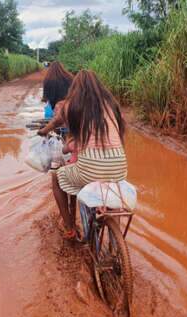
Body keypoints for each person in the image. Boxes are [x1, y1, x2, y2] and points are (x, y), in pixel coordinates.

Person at [38, 70, 127, 239]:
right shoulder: (112, 105)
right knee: (113, 190)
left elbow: (56, 121)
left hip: (90, 167)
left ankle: (70, 227)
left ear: (76, 88)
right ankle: (116, 238)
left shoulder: (73, 106)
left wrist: (43, 132)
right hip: (119, 166)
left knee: (57, 177)